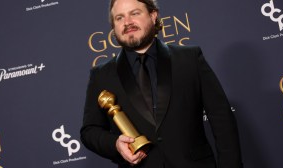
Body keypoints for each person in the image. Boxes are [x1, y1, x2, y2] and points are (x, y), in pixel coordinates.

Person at [80, 0, 243, 167]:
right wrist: (115, 144)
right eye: (119, 17)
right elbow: (90, 131)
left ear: (153, 15)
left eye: (134, 13)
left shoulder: (189, 59)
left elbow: (222, 120)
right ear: (113, 27)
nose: (127, 22)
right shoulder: (101, 75)